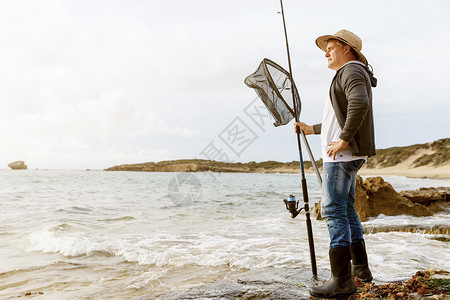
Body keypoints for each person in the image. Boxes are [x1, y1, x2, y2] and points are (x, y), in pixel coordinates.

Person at [294, 29, 377, 298]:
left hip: (342, 155)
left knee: (332, 210)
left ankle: (341, 280)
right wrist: (312, 129)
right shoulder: (349, 73)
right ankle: (360, 271)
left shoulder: (351, 71)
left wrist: (342, 140)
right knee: (346, 209)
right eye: (325, 49)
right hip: (347, 154)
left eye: (331, 47)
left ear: (348, 49)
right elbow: (339, 119)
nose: (326, 53)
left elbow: (359, 104)